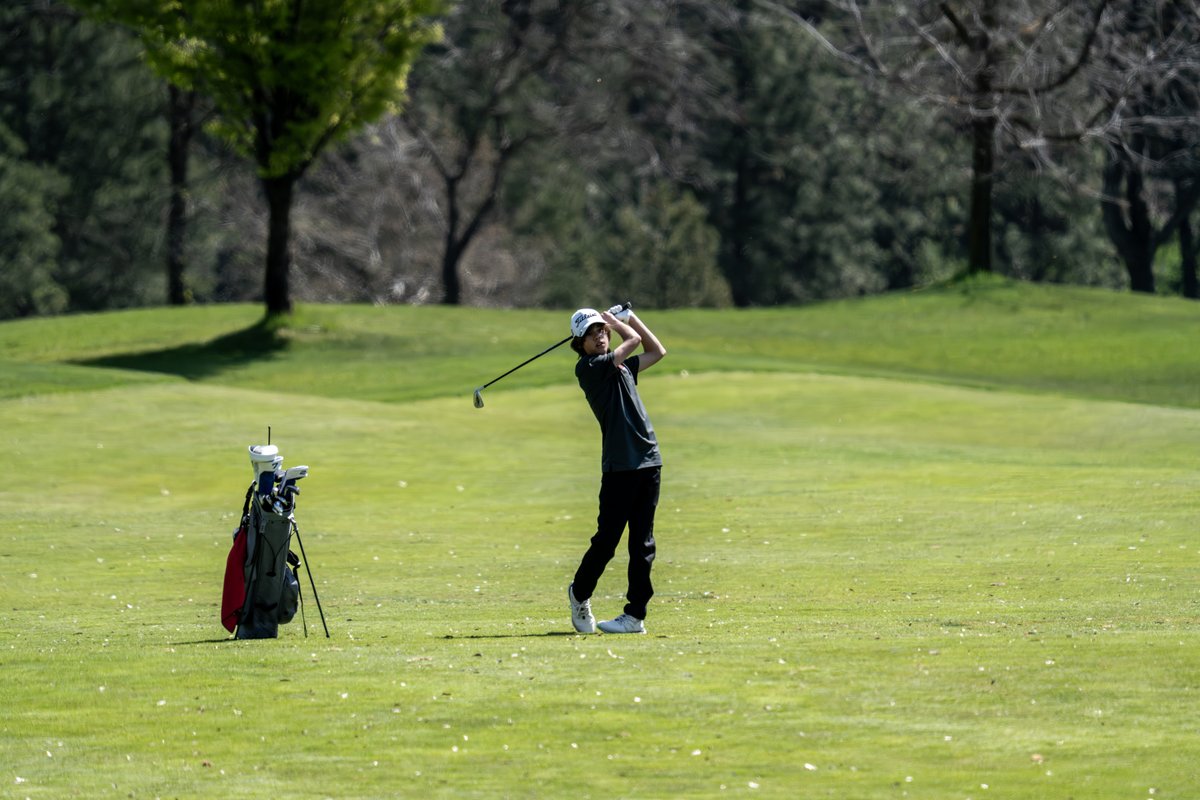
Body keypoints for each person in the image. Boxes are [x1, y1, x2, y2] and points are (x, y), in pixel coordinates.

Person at [566, 305, 667, 634]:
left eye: (601, 330)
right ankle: (579, 593)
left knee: (642, 544)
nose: (599, 335)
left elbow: (657, 350)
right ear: (579, 344)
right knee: (607, 541)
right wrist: (618, 322)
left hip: (649, 460)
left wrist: (631, 315)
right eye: (591, 333)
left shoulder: (623, 369)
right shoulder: (590, 368)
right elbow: (635, 341)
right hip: (619, 467)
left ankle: (635, 616)